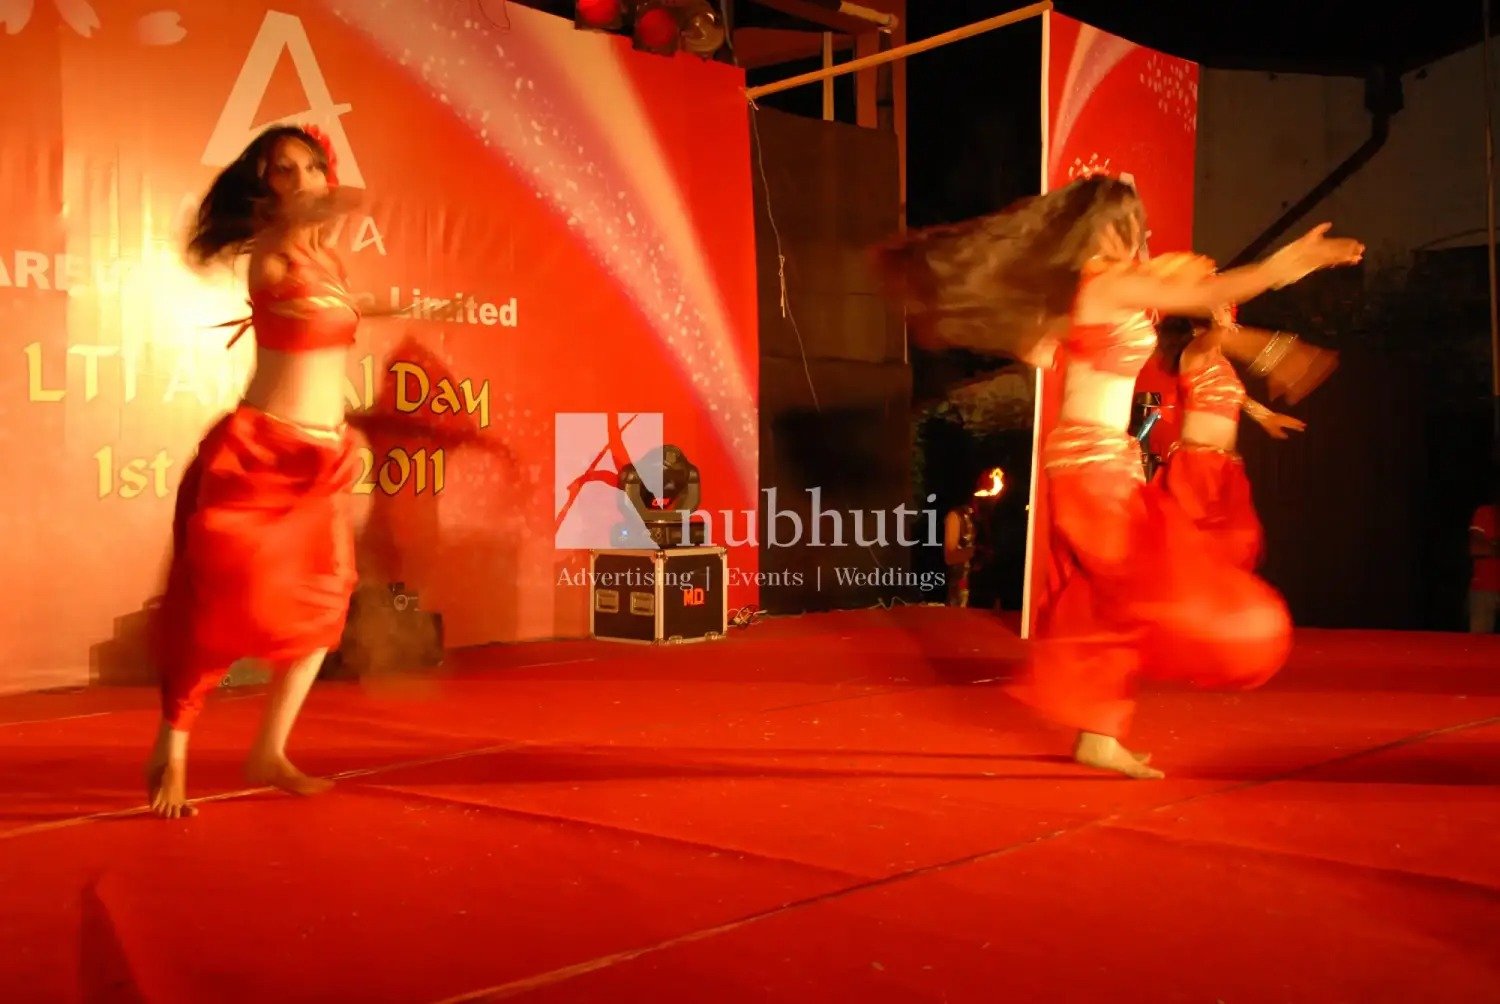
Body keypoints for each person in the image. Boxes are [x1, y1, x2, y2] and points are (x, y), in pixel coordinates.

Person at [875, 175, 1363, 778]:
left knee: (1105, 607)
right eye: (1137, 225)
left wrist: (1156, 282)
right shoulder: (1106, 281)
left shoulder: (1092, 286)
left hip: (1097, 460)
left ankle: (1098, 736)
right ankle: (1110, 720)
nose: (1144, 237)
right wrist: (1289, 262)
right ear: (1112, 225)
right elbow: (1226, 288)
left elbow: (1042, 350)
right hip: (1093, 464)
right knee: (1152, 589)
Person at [145, 124, 385, 818]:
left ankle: (269, 751)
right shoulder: (271, 255)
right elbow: (306, 225)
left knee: (324, 606)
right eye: (283, 170)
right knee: (217, 611)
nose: (303, 179)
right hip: (259, 458)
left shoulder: (329, 263)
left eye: (311, 166)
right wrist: (320, 203)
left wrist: (410, 308)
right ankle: (174, 745)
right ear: (264, 187)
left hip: (320, 460)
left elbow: (332, 318)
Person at [1152, 310, 1319, 571]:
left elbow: (1234, 395)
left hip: (1226, 466)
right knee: (1194, 546)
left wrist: (1266, 417)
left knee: (1225, 547)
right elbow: (1217, 336)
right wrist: (1222, 321)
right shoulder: (1193, 353)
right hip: (1198, 465)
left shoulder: (1220, 363)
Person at [1470, 478, 1499, 633]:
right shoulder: (1484, 513)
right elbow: (1476, 548)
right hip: (1485, 588)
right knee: (1478, 644)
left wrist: (1492, 545)